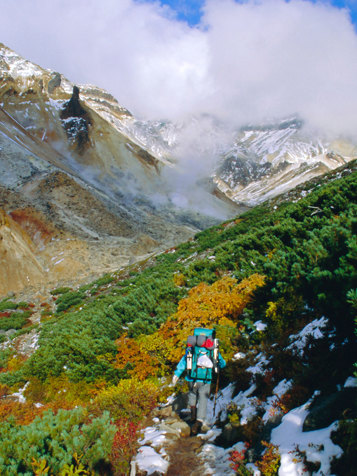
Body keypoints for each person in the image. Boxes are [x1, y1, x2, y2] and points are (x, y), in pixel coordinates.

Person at [172, 331, 226, 435]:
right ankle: (198, 422)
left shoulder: (192, 348)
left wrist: (177, 374)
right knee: (203, 400)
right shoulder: (212, 350)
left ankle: (192, 414)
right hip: (205, 379)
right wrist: (220, 366)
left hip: (192, 378)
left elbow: (184, 361)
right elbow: (222, 363)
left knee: (192, 394)